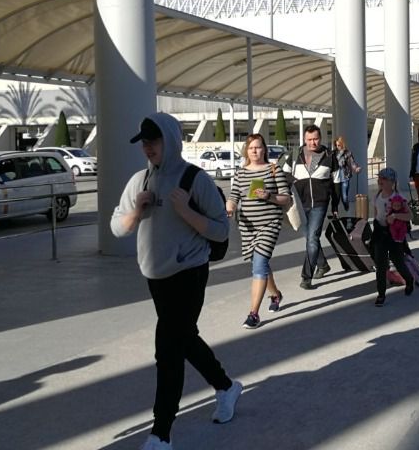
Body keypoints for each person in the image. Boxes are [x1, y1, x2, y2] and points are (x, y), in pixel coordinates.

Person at [111, 113, 242, 450]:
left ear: (169, 140)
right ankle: (226, 386)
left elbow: (221, 229)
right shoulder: (139, 181)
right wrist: (135, 213)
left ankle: (161, 433)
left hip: (189, 273)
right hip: (156, 276)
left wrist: (187, 213)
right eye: (143, 141)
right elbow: (117, 228)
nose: (147, 147)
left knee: (167, 349)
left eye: (153, 140)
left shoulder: (194, 179)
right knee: (184, 339)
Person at [227, 134, 291, 330]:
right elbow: (234, 195)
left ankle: (253, 314)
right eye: (251, 148)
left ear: (265, 149)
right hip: (247, 227)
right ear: (247, 151)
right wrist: (229, 207)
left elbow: (286, 199)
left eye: (258, 147)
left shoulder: (274, 169)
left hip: (270, 224)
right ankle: (275, 294)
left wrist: (269, 196)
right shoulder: (240, 173)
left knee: (260, 263)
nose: (255, 151)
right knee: (259, 263)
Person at [281, 124, 338, 288]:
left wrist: (335, 204)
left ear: (321, 139)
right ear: (304, 139)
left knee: (312, 238)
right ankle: (323, 264)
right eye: (309, 139)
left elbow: (336, 183)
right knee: (310, 238)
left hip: (320, 204)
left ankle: (306, 276)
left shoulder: (329, 156)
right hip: (299, 203)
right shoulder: (294, 154)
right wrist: (294, 181)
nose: (313, 143)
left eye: (316, 139)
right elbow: (283, 173)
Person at [371, 168, 415, 307]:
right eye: (379, 178)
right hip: (380, 232)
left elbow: (410, 216)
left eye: (383, 179)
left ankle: (409, 280)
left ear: (392, 182)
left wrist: (395, 216)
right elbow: (377, 212)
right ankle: (381, 294)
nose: (380, 181)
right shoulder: (377, 195)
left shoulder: (398, 198)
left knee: (398, 261)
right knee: (381, 265)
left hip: (394, 234)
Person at [330, 136, 361, 215]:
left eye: (339, 145)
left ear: (342, 144)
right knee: (336, 197)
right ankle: (335, 212)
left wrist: (356, 168)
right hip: (335, 178)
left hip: (345, 177)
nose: (337, 147)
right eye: (336, 145)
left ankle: (346, 207)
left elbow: (352, 163)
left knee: (344, 197)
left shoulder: (347, 153)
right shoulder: (333, 153)